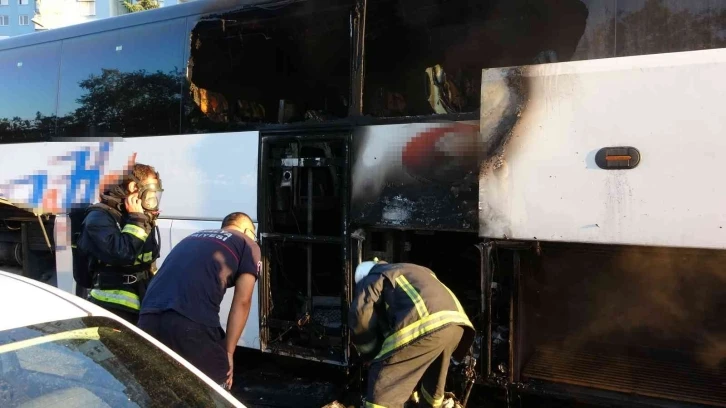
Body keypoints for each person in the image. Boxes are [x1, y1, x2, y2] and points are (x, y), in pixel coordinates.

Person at [137, 212, 260, 390]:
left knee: (159, 389)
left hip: (148, 317)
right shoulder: (247, 243)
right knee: (216, 384)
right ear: (248, 230)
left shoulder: (193, 237)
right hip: (191, 321)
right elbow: (243, 300)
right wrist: (229, 352)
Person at [349, 259, 475, 408]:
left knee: (383, 385)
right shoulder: (412, 269)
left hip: (426, 325)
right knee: (433, 381)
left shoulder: (373, 276)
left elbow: (360, 317)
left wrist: (369, 354)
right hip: (457, 325)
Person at [77, 162, 163, 325]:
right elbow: (122, 254)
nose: (153, 202)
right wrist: (137, 220)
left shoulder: (136, 215)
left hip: (142, 299)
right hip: (113, 308)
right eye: (150, 195)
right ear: (133, 188)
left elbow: (148, 259)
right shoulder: (99, 218)